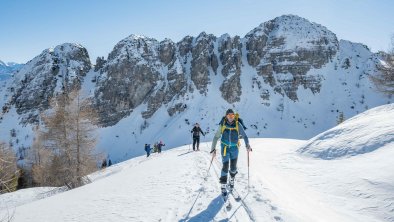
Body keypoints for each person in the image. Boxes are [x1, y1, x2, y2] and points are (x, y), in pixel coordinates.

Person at [210, 109, 252, 199]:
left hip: (234, 149)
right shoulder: (223, 125)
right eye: (229, 116)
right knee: (225, 167)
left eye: (232, 116)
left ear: (234, 116)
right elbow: (216, 136)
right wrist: (213, 149)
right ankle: (223, 186)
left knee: (233, 168)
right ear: (226, 116)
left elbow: (244, 135)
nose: (230, 118)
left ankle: (232, 180)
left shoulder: (237, 124)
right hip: (225, 149)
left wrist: (247, 145)